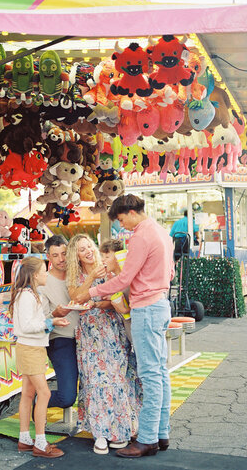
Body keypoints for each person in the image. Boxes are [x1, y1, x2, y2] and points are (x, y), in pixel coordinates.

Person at [75, 194, 174, 458]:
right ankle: (161, 432)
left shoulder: (141, 236)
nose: (122, 227)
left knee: (150, 374)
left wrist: (92, 291)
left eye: (121, 220)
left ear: (131, 212)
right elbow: (170, 272)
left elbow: (124, 279)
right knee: (160, 372)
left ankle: (148, 439)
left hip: (146, 308)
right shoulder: (161, 232)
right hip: (161, 304)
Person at [66, 234, 141, 455]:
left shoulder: (108, 268)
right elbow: (76, 299)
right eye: (82, 249)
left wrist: (99, 303)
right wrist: (90, 279)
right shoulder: (74, 276)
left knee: (118, 377)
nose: (88, 251)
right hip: (90, 333)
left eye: (89, 246)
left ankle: (121, 431)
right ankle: (99, 432)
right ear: (76, 256)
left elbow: (118, 298)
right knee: (94, 380)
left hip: (112, 329)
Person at [10, 256, 69, 459]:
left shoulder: (27, 294)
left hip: (31, 348)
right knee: (43, 394)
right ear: (35, 275)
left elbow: (30, 322)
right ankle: (41, 442)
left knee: (28, 394)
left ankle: (25, 439)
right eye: (44, 271)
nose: (46, 274)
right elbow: (27, 326)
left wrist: (51, 320)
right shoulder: (27, 296)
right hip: (30, 348)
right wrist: (50, 323)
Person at [39, 235, 79, 410]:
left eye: (64, 253)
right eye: (55, 255)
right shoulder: (42, 283)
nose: (61, 259)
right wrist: (56, 314)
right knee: (67, 397)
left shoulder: (78, 276)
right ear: (48, 256)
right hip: (60, 339)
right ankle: (38, 401)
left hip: (86, 337)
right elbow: (41, 321)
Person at [99, 239, 132, 342]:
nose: (102, 260)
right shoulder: (114, 280)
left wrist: (126, 310)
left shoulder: (129, 278)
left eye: (107, 257)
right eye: (102, 256)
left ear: (119, 257)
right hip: (128, 334)